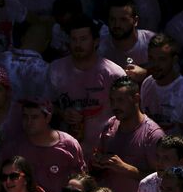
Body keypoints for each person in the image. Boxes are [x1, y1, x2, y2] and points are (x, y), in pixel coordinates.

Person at [47, 15, 126, 154]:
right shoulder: (55, 69)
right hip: (66, 149)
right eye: (74, 39)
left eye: (83, 39)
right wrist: (61, 113)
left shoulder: (113, 73)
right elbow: (44, 105)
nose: (78, 45)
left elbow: (128, 113)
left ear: (95, 41)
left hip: (105, 151)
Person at [94, 76, 163, 192]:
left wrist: (126, 169)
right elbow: (98, 161)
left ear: (136, 98)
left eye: (121, 100)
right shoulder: (111, 125)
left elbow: (161, 178)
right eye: (112, 100)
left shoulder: (153, 135)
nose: (115, 106)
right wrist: (98, 163)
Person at [4, 99, 87, 192]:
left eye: (34, 117)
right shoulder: (15, 147)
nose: (28, 122)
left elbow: (83, 180)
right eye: (25, 117)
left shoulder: (69, 144)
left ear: (48, 117)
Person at [140, 33, 183, 142]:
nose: (155, 64)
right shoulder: (147, 83)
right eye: (151, 58)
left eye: (162, 59)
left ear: (174, 60)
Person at [99, 0, 155, 70]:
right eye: (112, 19)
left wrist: (145, 73)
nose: (117, 25)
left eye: (123, 20)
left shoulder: (151, 42)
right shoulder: (100, 43)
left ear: (135, 21)